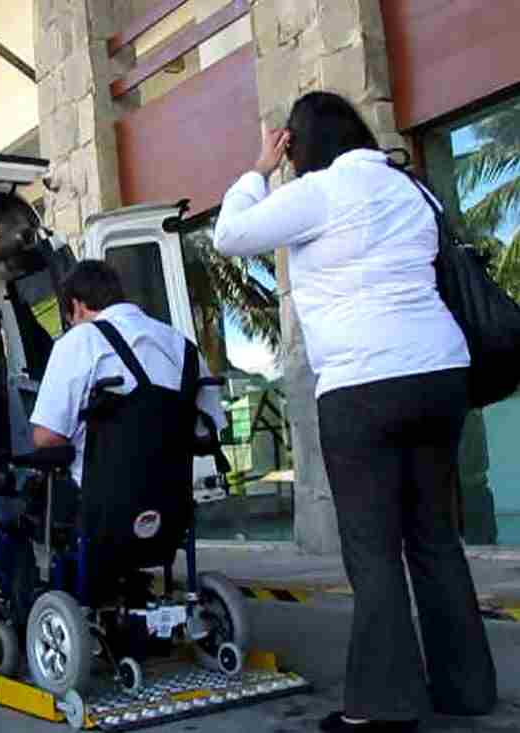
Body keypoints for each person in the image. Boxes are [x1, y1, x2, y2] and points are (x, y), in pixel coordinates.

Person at [213, 91, 497, 731]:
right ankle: (466, 689)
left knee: (373, 549)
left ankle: (384, 707)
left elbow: (230, 235)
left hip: (364, 385)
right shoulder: (411, 189)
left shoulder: (321, 191)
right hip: (441, 374)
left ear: (300, 144)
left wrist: (259, 168)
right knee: (434, 538)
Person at [29, 259, 225, 499]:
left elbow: (46, 437)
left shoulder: (79, 340)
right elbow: (206, 434)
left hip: (102, 508)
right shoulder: (183, 346)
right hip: (174, 508)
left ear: (76, 306)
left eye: (70, 321)